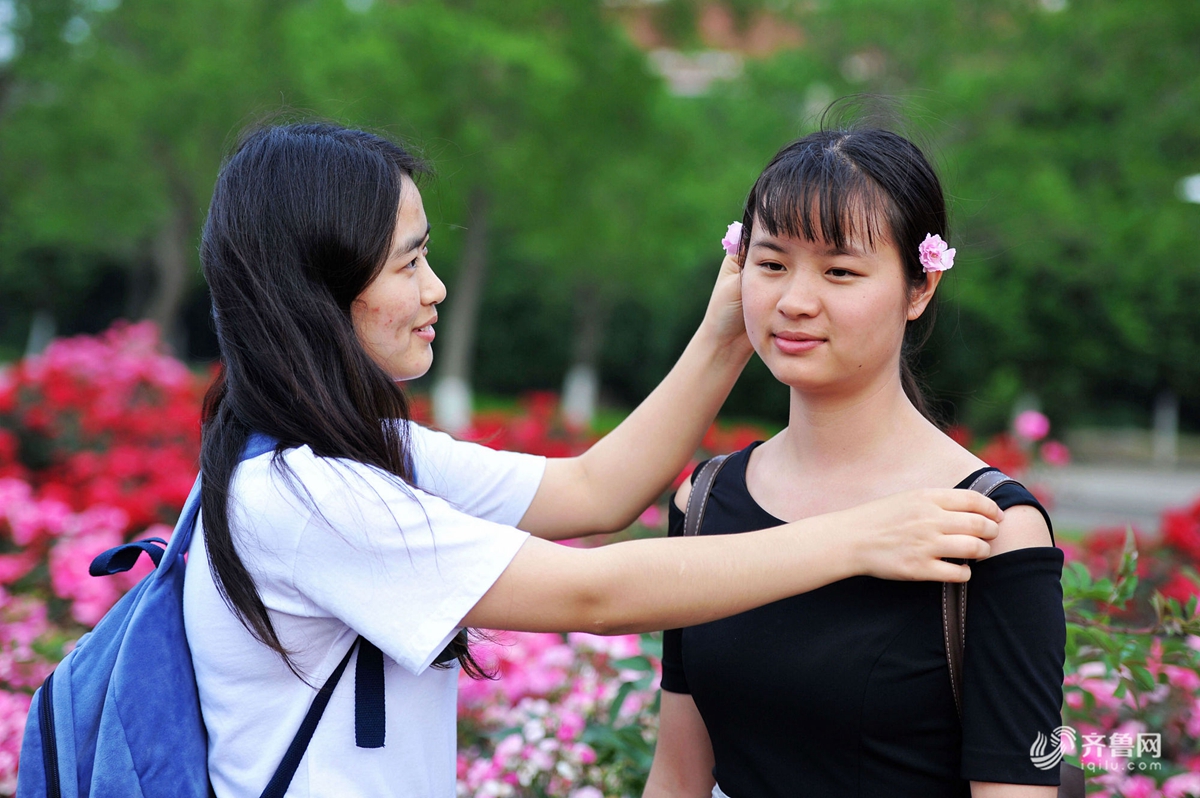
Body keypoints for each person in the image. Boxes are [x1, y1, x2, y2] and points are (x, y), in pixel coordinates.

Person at [182, 122, 1003, 798]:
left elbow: (596, 490)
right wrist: (856, 537)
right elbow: (594, 592)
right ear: (318, 289)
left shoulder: (362, 452)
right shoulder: (301, 499)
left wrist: (733, 325)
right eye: (410, 262)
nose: (435, 288)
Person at [643, 126, 1067, 798]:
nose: (795, 302)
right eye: (772, 263)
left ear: (920, 287)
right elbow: (678, 777)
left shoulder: (988, 527)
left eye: (839, 271)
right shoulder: (704, 502)